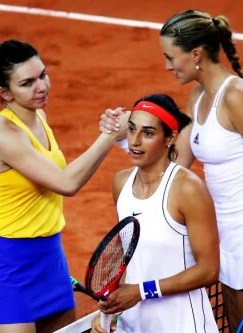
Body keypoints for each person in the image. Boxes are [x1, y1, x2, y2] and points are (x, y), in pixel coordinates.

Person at [100, 10, 243, 332]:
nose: (168, 66)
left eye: (171, 57)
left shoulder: (238, 96)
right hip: (223, 236)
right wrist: (124, 138)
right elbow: (175, 161)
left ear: (195, 54)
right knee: (238, 324)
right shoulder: (198, 97)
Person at [0, 39, 126, 333]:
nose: (41, 86)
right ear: (4, 92)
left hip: (50, 261)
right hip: (11, 269)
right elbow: (66, 182)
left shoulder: (38, 117)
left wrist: (107, 133)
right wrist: (109, 136)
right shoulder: (2, 133)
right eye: (27, 82)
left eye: (43, 75)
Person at [91, 94, 220, 333]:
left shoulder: (188, 189)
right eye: (131, 130)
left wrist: (141, 291)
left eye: (148, 133)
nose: (135, 141)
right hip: (132, 325)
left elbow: (209, 270)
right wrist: (106, 312)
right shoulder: (121, 183)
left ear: (170, 138)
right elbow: (126, 256)